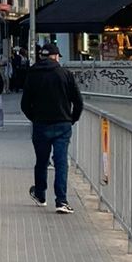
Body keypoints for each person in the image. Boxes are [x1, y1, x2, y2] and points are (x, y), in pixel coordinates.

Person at [20, 42, 84, 213]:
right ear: (56, 57)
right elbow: (78, 102)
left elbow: (25, 103)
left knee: (41, 161)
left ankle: (40, 194)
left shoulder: (32, 74)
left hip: (41, 124)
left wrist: (34, 118)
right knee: (61, 162)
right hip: (62, 124)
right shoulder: (65, 74)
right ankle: (61, 201)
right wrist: (72, 119)